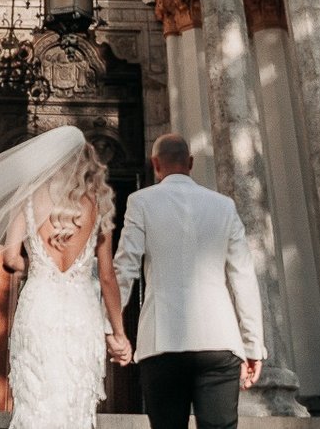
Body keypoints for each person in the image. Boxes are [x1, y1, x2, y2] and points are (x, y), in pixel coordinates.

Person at [113, 133, 265, 429]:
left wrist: (112, 329)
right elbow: (243, 277)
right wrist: (253, 346)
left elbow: (126, 267)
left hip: (162, 341)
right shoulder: (224, 206)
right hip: (218, 341)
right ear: (191, 163)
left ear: (155, 164)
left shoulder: (140, 202)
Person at [0, 141, 132, 429]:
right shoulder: (99, 205)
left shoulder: (28, 198)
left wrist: (34, 266)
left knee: (35, 399)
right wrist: (119, 334)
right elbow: (108, 277)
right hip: (81, 310)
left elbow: (10, 259)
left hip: (39, 304)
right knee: (76, 401)